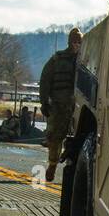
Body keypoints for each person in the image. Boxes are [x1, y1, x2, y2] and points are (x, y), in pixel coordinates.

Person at [39, 27, 82, 182]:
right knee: (55, 137)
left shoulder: (85, 61)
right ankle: (52, 165)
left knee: (75, 140)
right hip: (58, 105)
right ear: (70, 42)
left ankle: (70, 167)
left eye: (79, 42)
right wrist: (44, 102)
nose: (76, 45)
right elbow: (45, 80)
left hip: (77, 108)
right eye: (74, 41)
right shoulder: (57, 59)